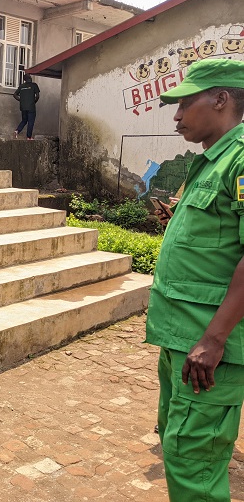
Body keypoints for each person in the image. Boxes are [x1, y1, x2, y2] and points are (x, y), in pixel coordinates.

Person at [145, 58, 244, 501]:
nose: (177, 115)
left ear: (221, 99)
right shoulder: (211, 162)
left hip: (209, 349)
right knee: (177, 443)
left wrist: (216, 338)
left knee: (194, 461)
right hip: (183, 338)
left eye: (185, 103)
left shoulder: (240, 160)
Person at [13, 74, 40, 140]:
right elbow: (37, 96)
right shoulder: (34, 85)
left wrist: (21, 100)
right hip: (31, 107)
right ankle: (29, 137)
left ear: (24, 80)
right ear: (30, 78)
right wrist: (34, 102)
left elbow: (14, 94)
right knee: (31, 122)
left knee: (24, 120)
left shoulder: (21, 86)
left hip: (23, 107)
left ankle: (17, 131)